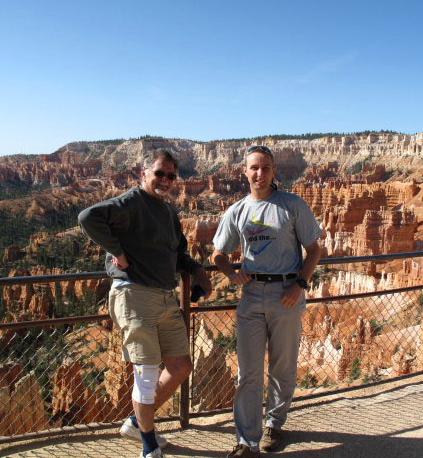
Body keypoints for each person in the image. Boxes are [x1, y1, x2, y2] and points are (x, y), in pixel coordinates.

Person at [78, 149, 212, 458]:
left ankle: (137, 423)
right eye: (159, 174)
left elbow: (177, 253)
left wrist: (198, 271)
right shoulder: (132, 202)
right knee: (147, 372)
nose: (165, 180)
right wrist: (117, 252)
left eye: (170, 176)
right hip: (135, 294)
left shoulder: (167, 212)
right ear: (144, 174)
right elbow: (88, 218)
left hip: (165, 296)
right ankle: (149, 444)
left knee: (180, 366)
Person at [212, 145, 322, 457]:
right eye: (254, 168)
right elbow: (217, 254)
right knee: (248, 372)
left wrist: (300, 284)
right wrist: (231, 274)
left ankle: (275, 423)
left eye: (265, 168)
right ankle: (247, 441)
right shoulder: (237, 211)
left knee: (282, 366)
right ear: (244, 171)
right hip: (250, 297)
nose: (259, 173)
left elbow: (314, 250)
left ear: (273, 171)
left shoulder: (291, 204)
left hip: (286, 294)